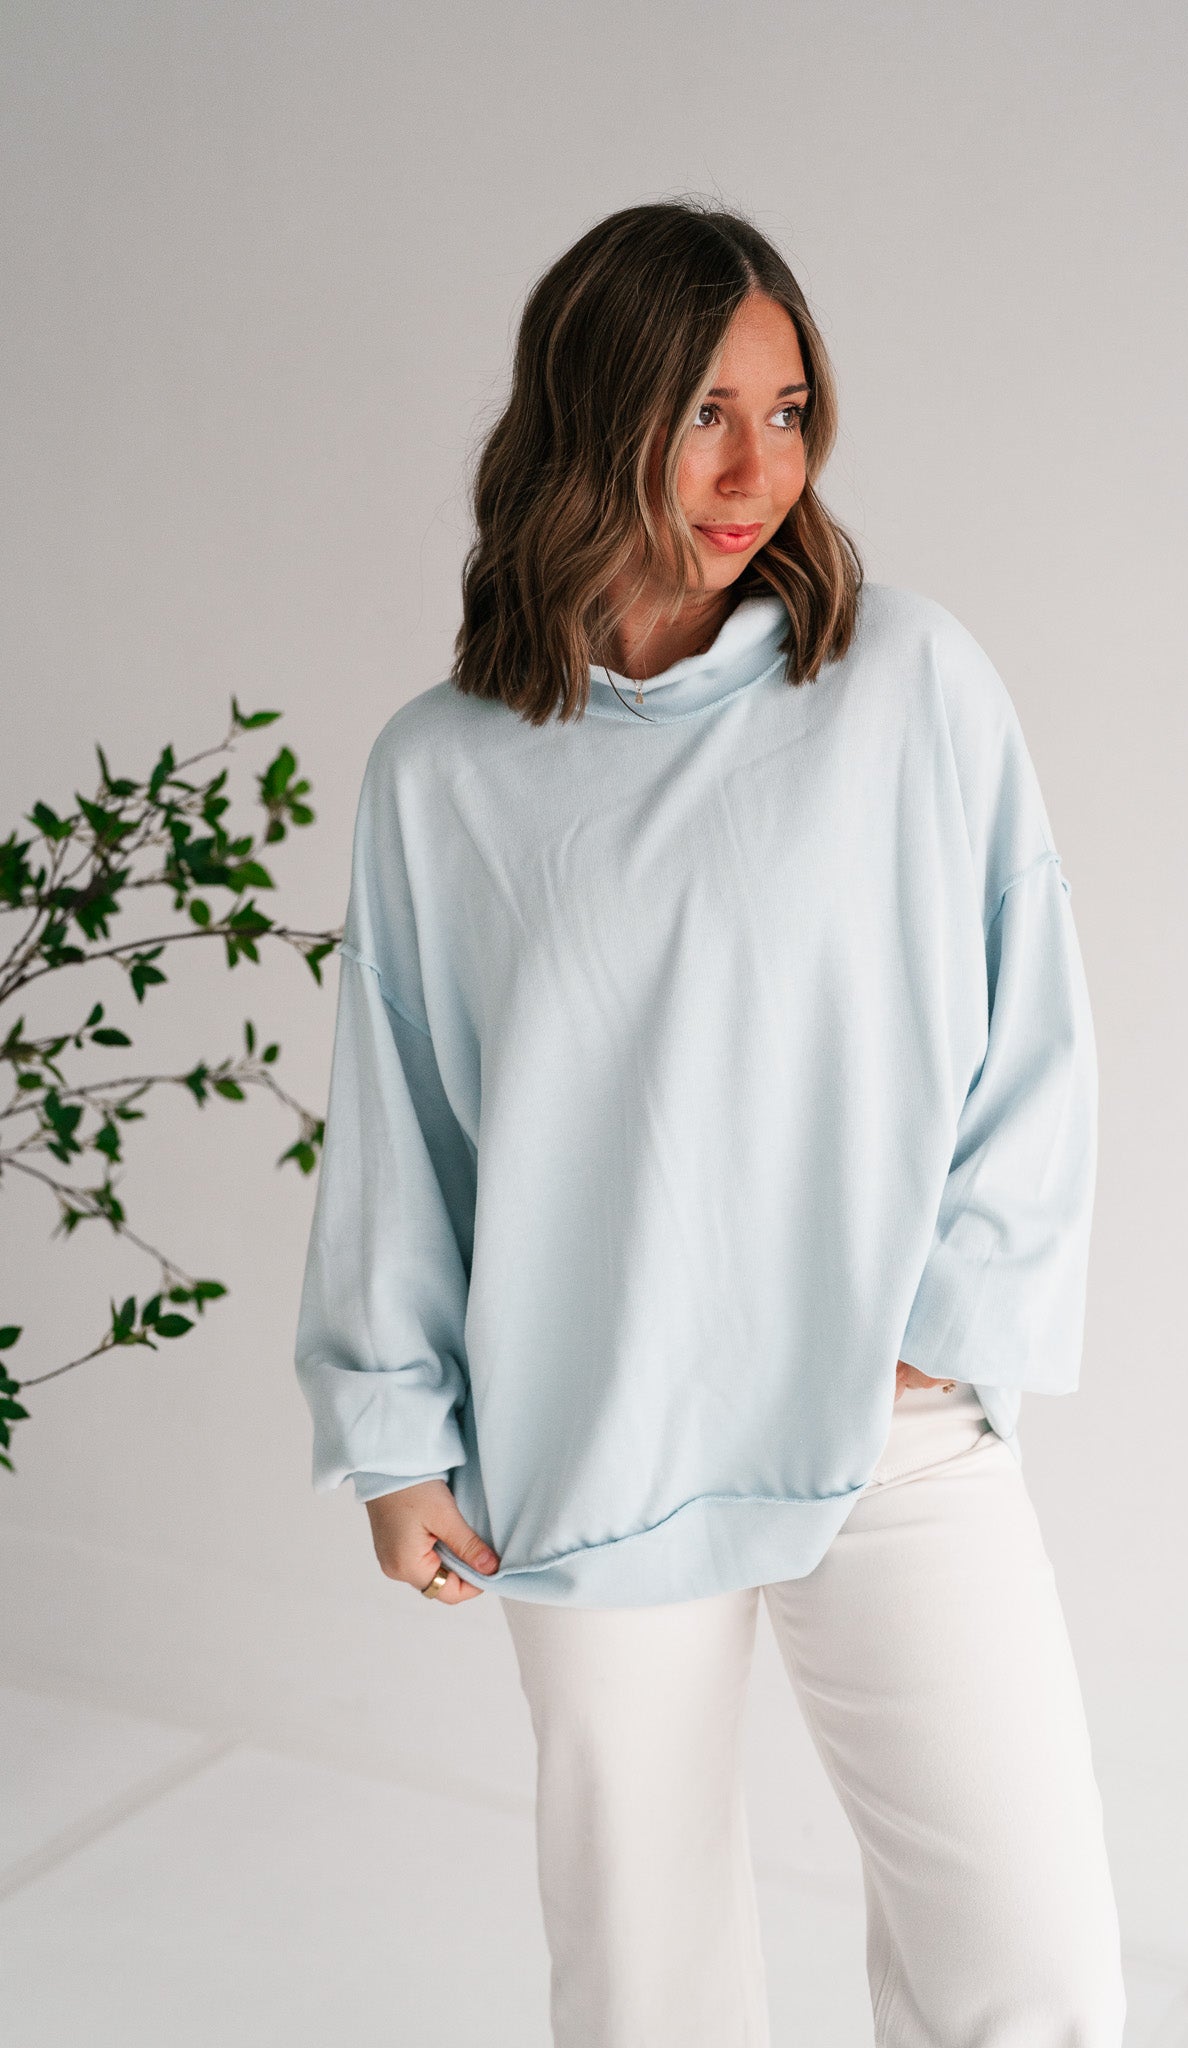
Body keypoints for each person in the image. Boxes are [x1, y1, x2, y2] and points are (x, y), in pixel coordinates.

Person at [293, 197, 1126, 2046]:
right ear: (595, 417)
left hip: (889, 1422)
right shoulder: (443, 770)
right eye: (702, 415)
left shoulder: (903, 679)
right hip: (594, 1427)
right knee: (644, 1985)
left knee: (1031, 1972)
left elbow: (1034, 1020)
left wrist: (946, 1330)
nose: (758, 468)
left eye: (789, 408)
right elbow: (403, 1129)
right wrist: (396, 1438)